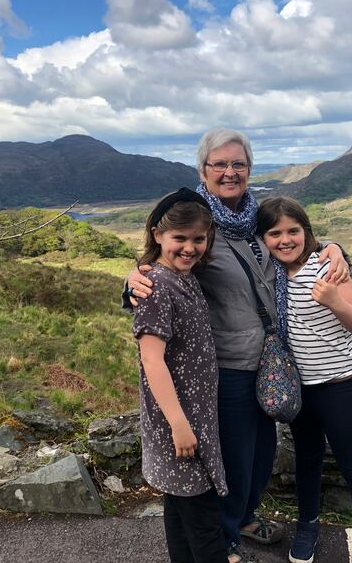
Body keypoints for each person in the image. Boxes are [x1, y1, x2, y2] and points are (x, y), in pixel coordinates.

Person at [126, 128, 351, 563]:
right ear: (203, 171)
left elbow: (297, 243)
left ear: (249, 169)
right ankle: (224, 541)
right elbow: (159, 270)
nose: (230, 172)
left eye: (239, 164)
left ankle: (243, 519)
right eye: (219, 165)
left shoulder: (258, 217)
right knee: (231, 462)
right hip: (226, 366)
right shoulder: (195, 222)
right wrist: (129, 282)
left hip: (267, 362)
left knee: (260, 459)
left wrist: (336, 249)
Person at [257, 196, 352, 563]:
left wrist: (335, 301)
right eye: (274, 233)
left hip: (339, 385)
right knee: (307, 460)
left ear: (306, 231)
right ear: (263, 238)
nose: (285, 239)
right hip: (299, 389)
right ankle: (308, 527)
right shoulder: (269, 275)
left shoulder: (327, 266)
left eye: (293, 231)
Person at [132, 188, 229, 563]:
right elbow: (152, 360)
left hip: (191, 420)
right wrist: (178, 424)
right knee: (205, 526)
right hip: (181, 425)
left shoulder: (183, 276)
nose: (189, 248)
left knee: (179, 512)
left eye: (198, 239)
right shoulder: (156, 287)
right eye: (180, 238)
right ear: (158, 235)